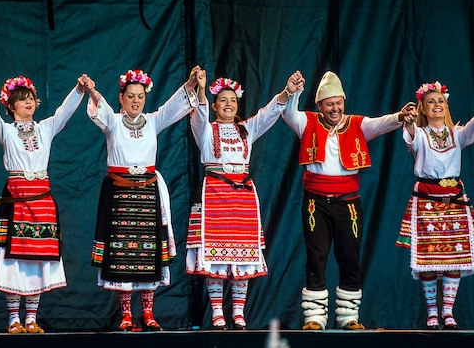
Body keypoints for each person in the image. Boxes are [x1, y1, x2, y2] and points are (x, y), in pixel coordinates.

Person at [281, 71, 416, 330]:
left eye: (339, 102)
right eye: (329, 104)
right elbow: (288, 112)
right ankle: (314, 319)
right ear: (319, 105)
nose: (335, 108)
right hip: (315, 203)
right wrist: (293, 91)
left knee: (350, 257)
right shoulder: (306, 122)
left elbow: (382, 123)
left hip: (348, 202)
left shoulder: (356, 124)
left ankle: (348, 317)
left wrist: (400, 116)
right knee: (316, 256)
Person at [185, 72, 304, 330]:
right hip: (215, 194)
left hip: (243, 196)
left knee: (243, 255)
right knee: (213, 256)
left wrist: (287, 91)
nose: (228, 104)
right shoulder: (205, 130)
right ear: (215, 105)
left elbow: (268, 114)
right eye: (223, 100)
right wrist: (203, 91)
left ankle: (238, 313)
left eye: (233, 101)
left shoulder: (246, 129)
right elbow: (198, 115)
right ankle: (218, 312)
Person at [87, 66, 201, 331]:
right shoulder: (113, 122)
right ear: (121, 98)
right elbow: (99, 108)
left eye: (140, 96)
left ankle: (148, 313)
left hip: (147, 194)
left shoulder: (152, 121)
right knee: (122, 255)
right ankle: (126, 314)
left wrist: (191, 83)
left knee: (148, 255)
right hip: (120, 193)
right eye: (131, 96)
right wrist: (92, 91)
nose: (136, 100)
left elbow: (173, 107)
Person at [0, 74, 94, 334]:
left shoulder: (45, 128)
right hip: (16, 198)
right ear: (10, 106)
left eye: (31, 99)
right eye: (22, 100)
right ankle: (13, 318)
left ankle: (31, 318)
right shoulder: (7, 131)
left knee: (39, 257)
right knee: (13, 260)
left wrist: (78, 90)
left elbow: (63, 113)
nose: (28, 103)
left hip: (41, 200)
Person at [395, 81, 474, 329]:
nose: (437, 105)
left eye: (440, 101)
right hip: (427, 198)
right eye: (431, 101)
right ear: (423, 109)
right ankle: (432, 312)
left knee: (455, 255)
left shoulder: (456, 134)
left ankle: (447, 311)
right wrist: (408, 121)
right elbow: (410, 135)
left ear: (446, 105)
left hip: (454, 199)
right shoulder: (420, 134)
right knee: (428, 257)